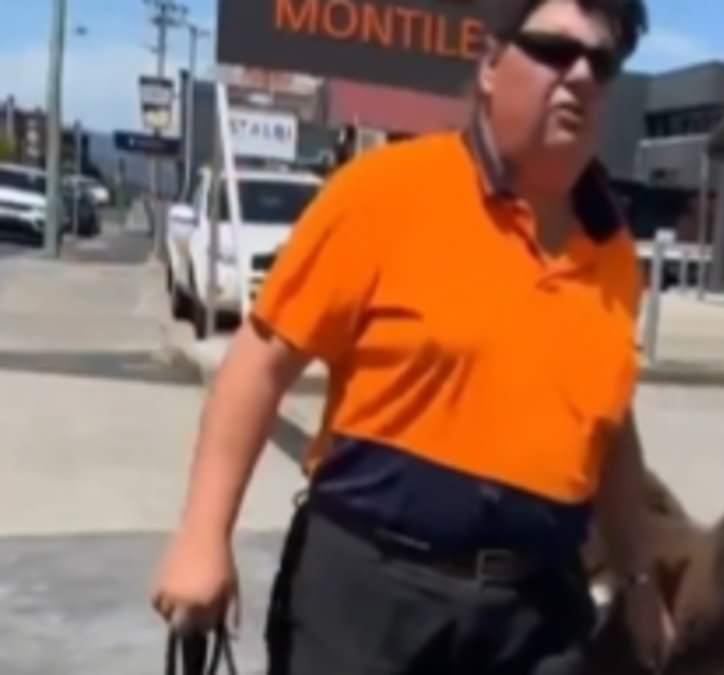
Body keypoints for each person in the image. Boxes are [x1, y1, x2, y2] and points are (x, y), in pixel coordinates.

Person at [150, 0, 675, 673]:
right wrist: (203, 537)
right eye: (553, 51)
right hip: (371, 600)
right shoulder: (384, 194)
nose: (578, 75)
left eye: (600, 62)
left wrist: (636, 579)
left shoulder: (614, 254)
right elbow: (259, 364)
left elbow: (609, 428)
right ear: (490, 63)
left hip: (537, 616)